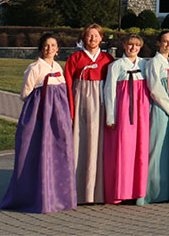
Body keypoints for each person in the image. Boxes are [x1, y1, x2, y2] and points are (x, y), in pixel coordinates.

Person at [0, 34, 76, 213]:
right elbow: (25, 93)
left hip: (58, 118)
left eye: (53, 45)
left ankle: (59, 195)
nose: (50, 48)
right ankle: (33, 195)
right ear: (41, 48)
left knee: (58, 152)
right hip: (39, 115)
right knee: (35, 151)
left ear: (57, 50)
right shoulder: (34, 68)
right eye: (46, 45)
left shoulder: (58, 67)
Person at [63, 24, 114, 204]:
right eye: (89, 36)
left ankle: (96, 192)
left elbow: (112, 86)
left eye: (96, 36)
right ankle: (76, 190)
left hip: (99, 104)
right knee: (79, 142)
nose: (92, 39)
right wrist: (70, 109)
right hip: (80, 102)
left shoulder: (107, 59)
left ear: (101, 38)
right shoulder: (75, 58)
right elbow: (68, 85)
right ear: (84, 38)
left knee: (97, 144)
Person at [103, 34, 150, 204]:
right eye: (130, 45)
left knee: (141, 150)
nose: (133, 48)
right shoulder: (116, 66)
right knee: (125, 150)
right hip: (124, 111)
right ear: (124, 45)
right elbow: (109, 91)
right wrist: (110, 115)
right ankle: (122, 191)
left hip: (142, 111)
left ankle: (138, 191)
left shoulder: (145, 64)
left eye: (136, 46)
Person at [143, 30, 169, 204]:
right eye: (165, 41)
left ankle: (168, 189)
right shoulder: (153, 63)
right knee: (157, 147)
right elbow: (155, 87)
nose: (168, 44)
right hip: (160, 107)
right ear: (158, 43)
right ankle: (153, 191)